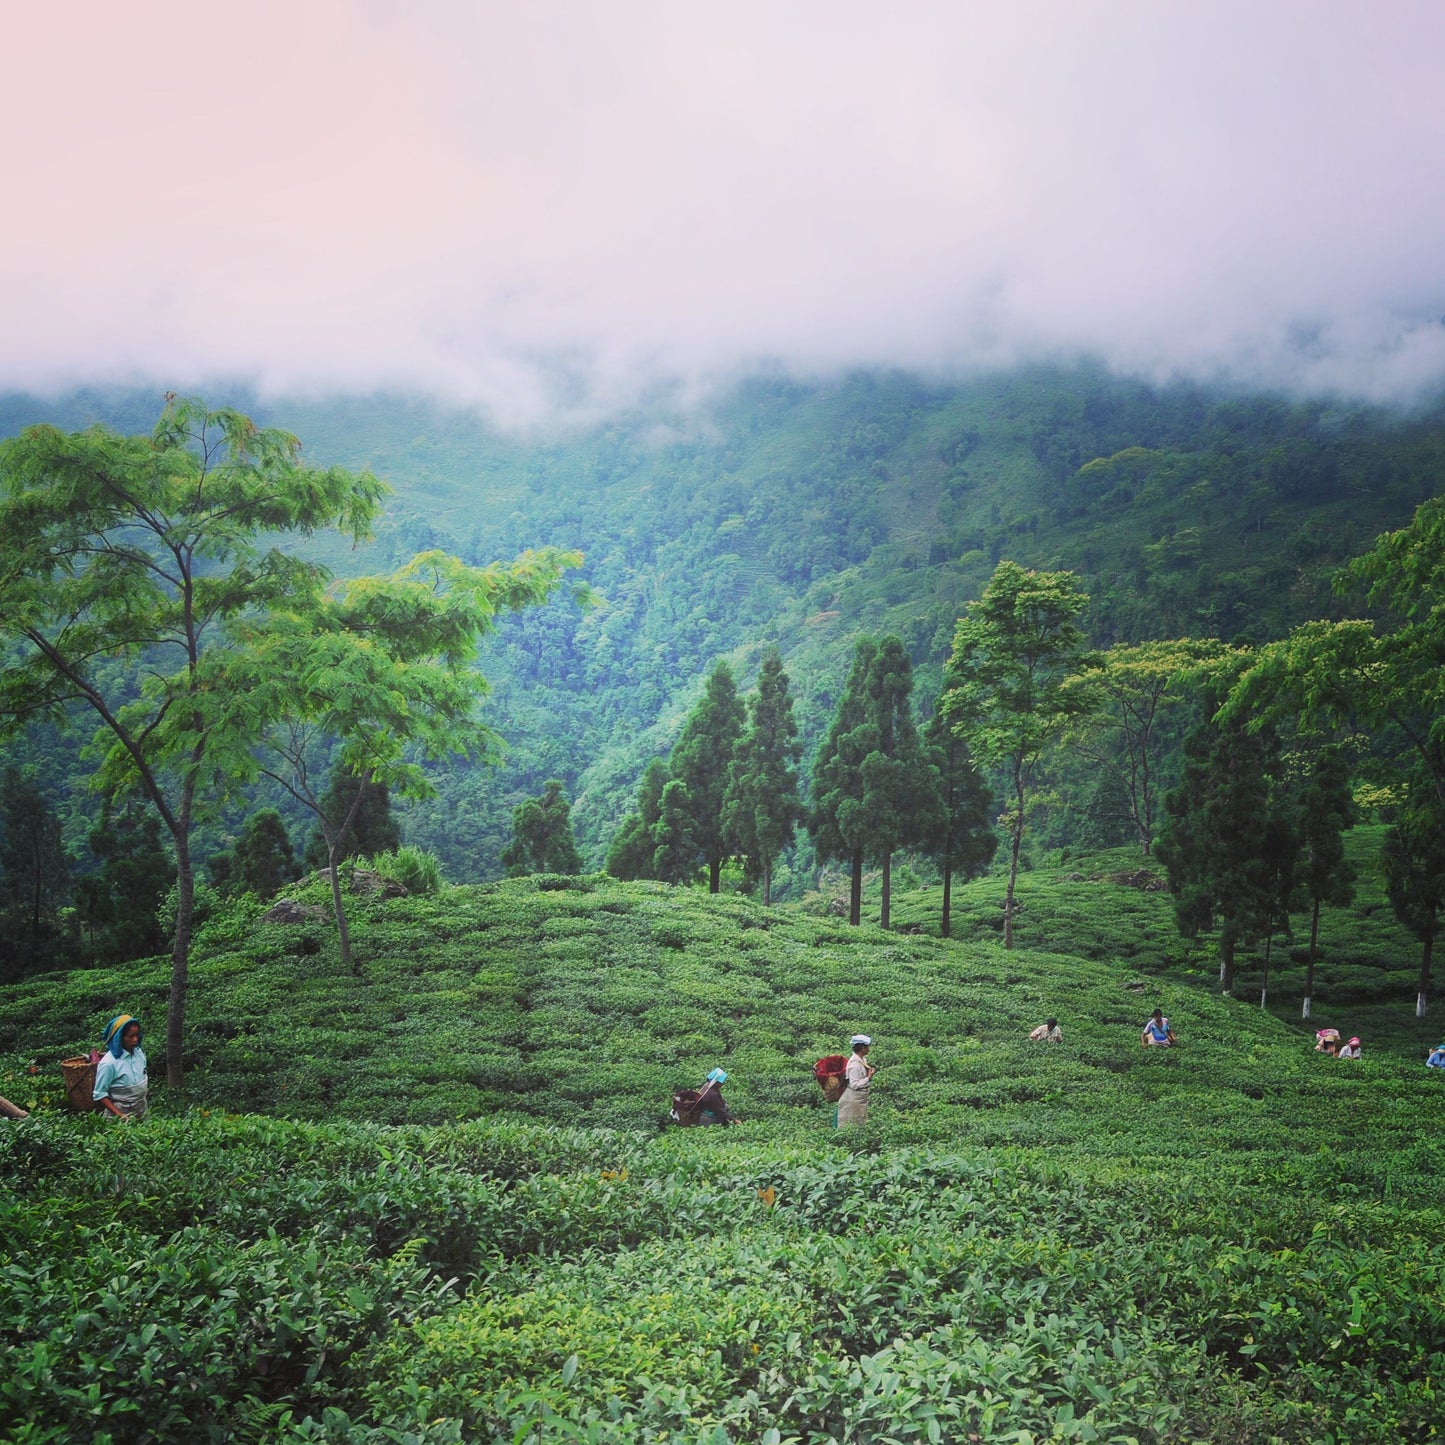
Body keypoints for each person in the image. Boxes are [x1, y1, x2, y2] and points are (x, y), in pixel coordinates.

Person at [93, 1014, 149, 1120]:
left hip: (141, 1110)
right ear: (119, 1037)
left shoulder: (139, 1054)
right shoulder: (109, 1063)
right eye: (130, 1036)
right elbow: (99, 1094)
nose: (135, 1039)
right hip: (117, 1117)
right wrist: (120, 1115)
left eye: (137, 1035)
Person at [837, 1034, 874, 1126]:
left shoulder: (862, 1060)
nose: (869, 1049)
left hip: (860, 1097)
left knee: (860, 1120)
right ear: (863, 1048)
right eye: (868, 1047)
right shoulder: (855, 1065)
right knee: (851, 1123)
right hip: (853, 1098)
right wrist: (868, 1078)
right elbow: (854, 1084)